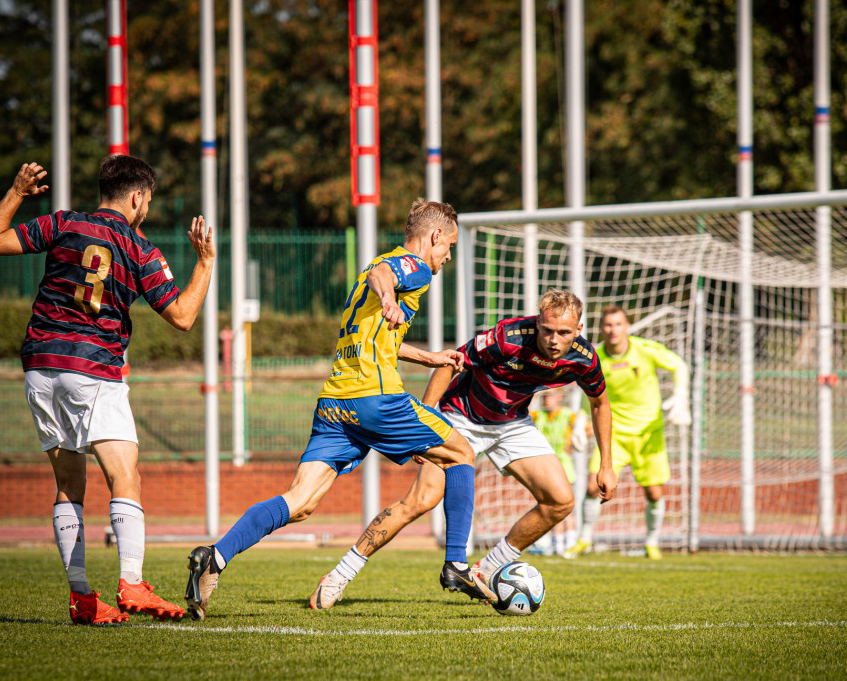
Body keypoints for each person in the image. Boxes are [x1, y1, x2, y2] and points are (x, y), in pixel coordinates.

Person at [184, 198, 491, 620]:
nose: (448, 255)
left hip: (335, 403)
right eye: (448, 245)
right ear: (435, 236)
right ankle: (457, 563)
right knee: (462, 453)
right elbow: (384, 278)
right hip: (375, 400)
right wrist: (388, 298)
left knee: (300, 502)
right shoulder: (410, 266)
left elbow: (380, 336)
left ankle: (214, 558)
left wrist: (430, 358)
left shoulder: (377, 264)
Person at [0, 157, 216, 624]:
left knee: (68, 483)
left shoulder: (63, 223)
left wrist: (19, 191)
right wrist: (205, 263)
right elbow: (183, 316)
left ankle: (83, 597)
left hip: (41, 366)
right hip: (92, 369)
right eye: (148, 199)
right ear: (136, 197)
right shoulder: (138, 246)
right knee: (125, 476)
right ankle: (132, 584)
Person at [308, 289, 617, 609]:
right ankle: (338, 575)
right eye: (547, 330)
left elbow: (600, 403)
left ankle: (487, 569)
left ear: (578, 331)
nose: (554, 339)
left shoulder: (584, 357)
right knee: (421, 500)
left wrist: (605, 464)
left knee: (561, 501)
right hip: (461, 418)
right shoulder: (508, 336)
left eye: (564, 333)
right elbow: (450, 364)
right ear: (537, 323)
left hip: (511, 424)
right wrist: (423, 421)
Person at [564, 304, 690, 560]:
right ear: (601, 328)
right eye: (608, 325)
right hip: (613, 435)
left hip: (648, 434)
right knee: (592, 486)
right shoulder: (595, 356)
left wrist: (681, 395)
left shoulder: (644, 350)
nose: (613, 330)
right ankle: (584, 539)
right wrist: (579, 422)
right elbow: (584, 390)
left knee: (653, 492)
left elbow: (679, 366)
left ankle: (652, 542)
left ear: (627, 326)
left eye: (618, 324)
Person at [528, 388, 581, 555]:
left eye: (549, 395)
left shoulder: (567, 415)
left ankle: (571, 543)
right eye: (545, 396)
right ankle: (557, 545)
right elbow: (526, 414)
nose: (547, 399)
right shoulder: (540, 415)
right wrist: (534, 394)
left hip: (564, 465)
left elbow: (585, 422)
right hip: (545, 466)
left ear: (559, 397)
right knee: (551, 506)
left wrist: (578, 435)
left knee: (565, 506)